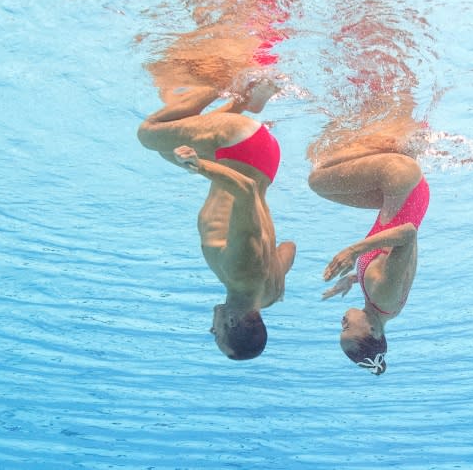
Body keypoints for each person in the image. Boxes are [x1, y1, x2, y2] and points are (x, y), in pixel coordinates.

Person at [137, 77, 296, 361]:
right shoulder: (240, 273)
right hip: (241, 145)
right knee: (149, 134)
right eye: (216, 333)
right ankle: (226, 78)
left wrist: (274, 270)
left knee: (166, 151)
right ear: (231, 324)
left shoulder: (268, 296)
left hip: (262, 162)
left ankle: (244, 102)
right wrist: (199, 167)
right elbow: (245, 191)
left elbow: (288, 248)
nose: (212, 327)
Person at [308, 118, 429, 375]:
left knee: (326, 184)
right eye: (346, 329)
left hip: (401, 190)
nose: (342, 323)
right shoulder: (384, 296)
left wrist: (354, 279)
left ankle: (399, 139)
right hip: (401, 180)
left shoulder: (381, 305)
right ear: (373, 331)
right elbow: (409, 234)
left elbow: (387, 262)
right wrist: (353, 251)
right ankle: (392, 144)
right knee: (318, 176)